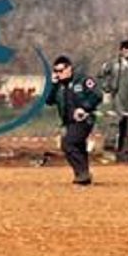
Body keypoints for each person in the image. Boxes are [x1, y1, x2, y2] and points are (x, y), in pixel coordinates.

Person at [46, 55, 102, 186]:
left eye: (61, 71)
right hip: (68, 122)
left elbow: (97, 95)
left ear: (69, 68)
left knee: (68, 144)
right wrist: (53, 85)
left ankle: (82, 174)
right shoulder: (59, 85)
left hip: (84, 120)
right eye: (56, 71)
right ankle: (83, 176)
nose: (58, 74)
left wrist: (84, 107)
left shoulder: (82, 80)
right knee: (78, 147)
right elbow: (49, 101)